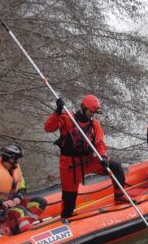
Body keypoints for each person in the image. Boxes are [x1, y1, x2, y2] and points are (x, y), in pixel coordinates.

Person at [44, 94, 127, 223]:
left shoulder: (94, 125)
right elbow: (48, 128)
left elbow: (100, 144)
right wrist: (57, 111)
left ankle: (120, 196)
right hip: (70, 165)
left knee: (116, 167)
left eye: (94, 112)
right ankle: (67, 217)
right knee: (69, 200)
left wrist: (103, 157)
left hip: (88, 161)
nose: (92, 115)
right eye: (91, 111)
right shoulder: (67, 118)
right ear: (83, 108)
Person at [0, 144, 47, 234]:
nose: (16, 162)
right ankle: (26, 231)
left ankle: (20, 226)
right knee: (20, 210)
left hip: (14, 203)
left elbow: (22, 188)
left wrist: (18, 197)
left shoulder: (16, 169)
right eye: (16, 159)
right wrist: (3, 202)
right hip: (0, 207)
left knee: (40, 202)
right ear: (10, 159)